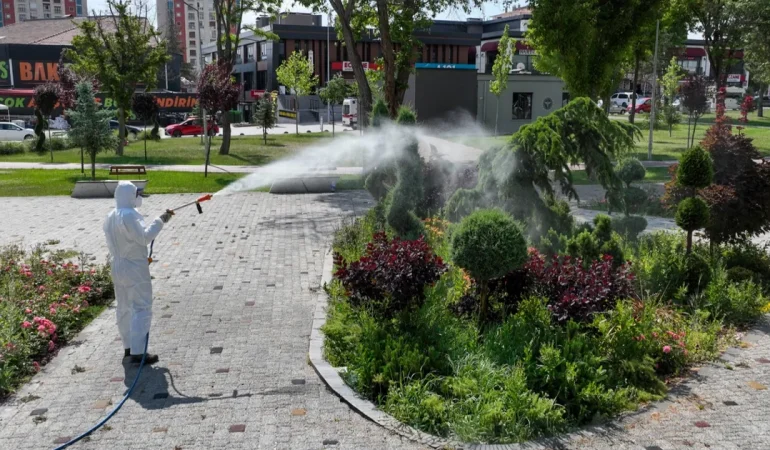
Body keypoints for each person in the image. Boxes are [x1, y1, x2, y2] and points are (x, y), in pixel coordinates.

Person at [103, 181, 173, 364]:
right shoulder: (130, 215)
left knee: (124, 306)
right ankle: (138, 351)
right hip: (134, 266)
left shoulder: (110, 215)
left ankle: (128, 347)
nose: (138, 197)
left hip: (117, 266)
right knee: (141, 306)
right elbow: (144, 238)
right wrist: (160, 221)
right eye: (136, 194)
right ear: (129, 196)